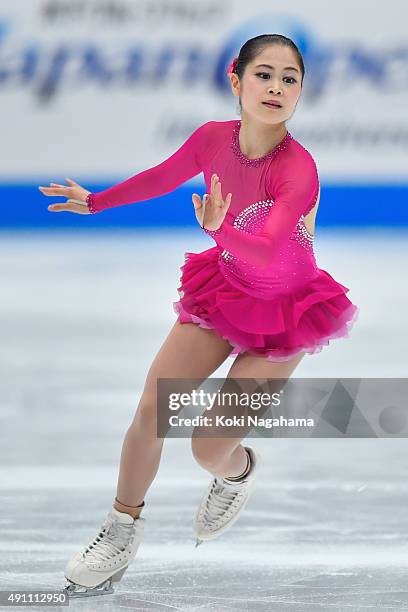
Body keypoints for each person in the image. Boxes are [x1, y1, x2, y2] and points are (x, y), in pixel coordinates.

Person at [38, 34, 359, 597]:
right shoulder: (212, 139)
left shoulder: (298, 169)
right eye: (265, 75)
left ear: (301, 90)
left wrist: (219, 230)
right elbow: (163, 176)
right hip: (225, 290)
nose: (277, 88)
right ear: (236, 81)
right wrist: (96, 202)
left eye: (290, 78)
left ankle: (236, 473)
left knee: (208, 447)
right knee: (152, 407)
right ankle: (121, 525)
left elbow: (266, 245)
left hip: (285, 312)